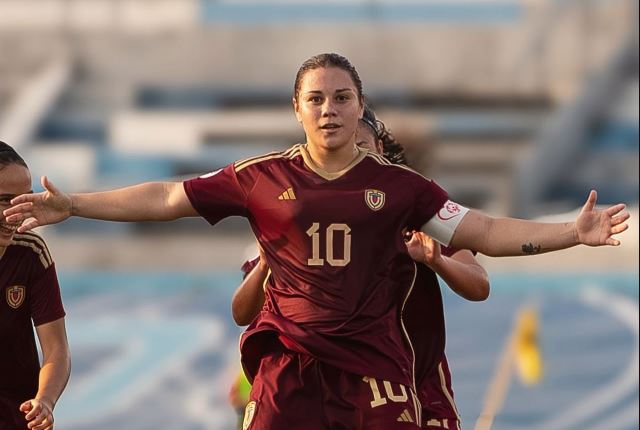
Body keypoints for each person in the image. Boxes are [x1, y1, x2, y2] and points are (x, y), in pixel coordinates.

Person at [3, 53, 629, 429]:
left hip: (376, 370)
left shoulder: (402, 188)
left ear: (360, 109)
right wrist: (76, 204)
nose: (329, 109)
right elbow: (171, 197)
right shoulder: (259, 178)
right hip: (290, 369)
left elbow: (485, 233)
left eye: (342, 97)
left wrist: (570, 232)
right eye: (315, 98)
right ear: (297, 109)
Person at [230, 106, 489, 430]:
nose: (351, 161)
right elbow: (242, 314)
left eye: (361, 148)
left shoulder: (418, 209)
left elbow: (479, 284)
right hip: (318, 390)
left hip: (416, 388)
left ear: (380, 149)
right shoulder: (301, 222)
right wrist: (266, 262)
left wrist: (436, 260)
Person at [0, 141, 71, 430]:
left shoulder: (32, 253)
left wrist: (45, 400)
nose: (18, 212)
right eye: (6, 200)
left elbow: (56, 351)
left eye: (25, 200)